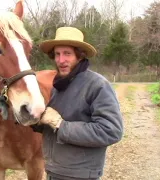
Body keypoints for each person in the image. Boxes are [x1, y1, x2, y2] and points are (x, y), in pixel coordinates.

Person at [33, 27, 124, 180]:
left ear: (80, 55)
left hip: (80, 175)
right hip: (54, 171)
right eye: (57, 54)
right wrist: (36, 120)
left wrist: (59, 123)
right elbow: (55, 129)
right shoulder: (60, 85)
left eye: (67, 54)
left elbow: (111, 130)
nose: (61, 60)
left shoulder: (97, 85)